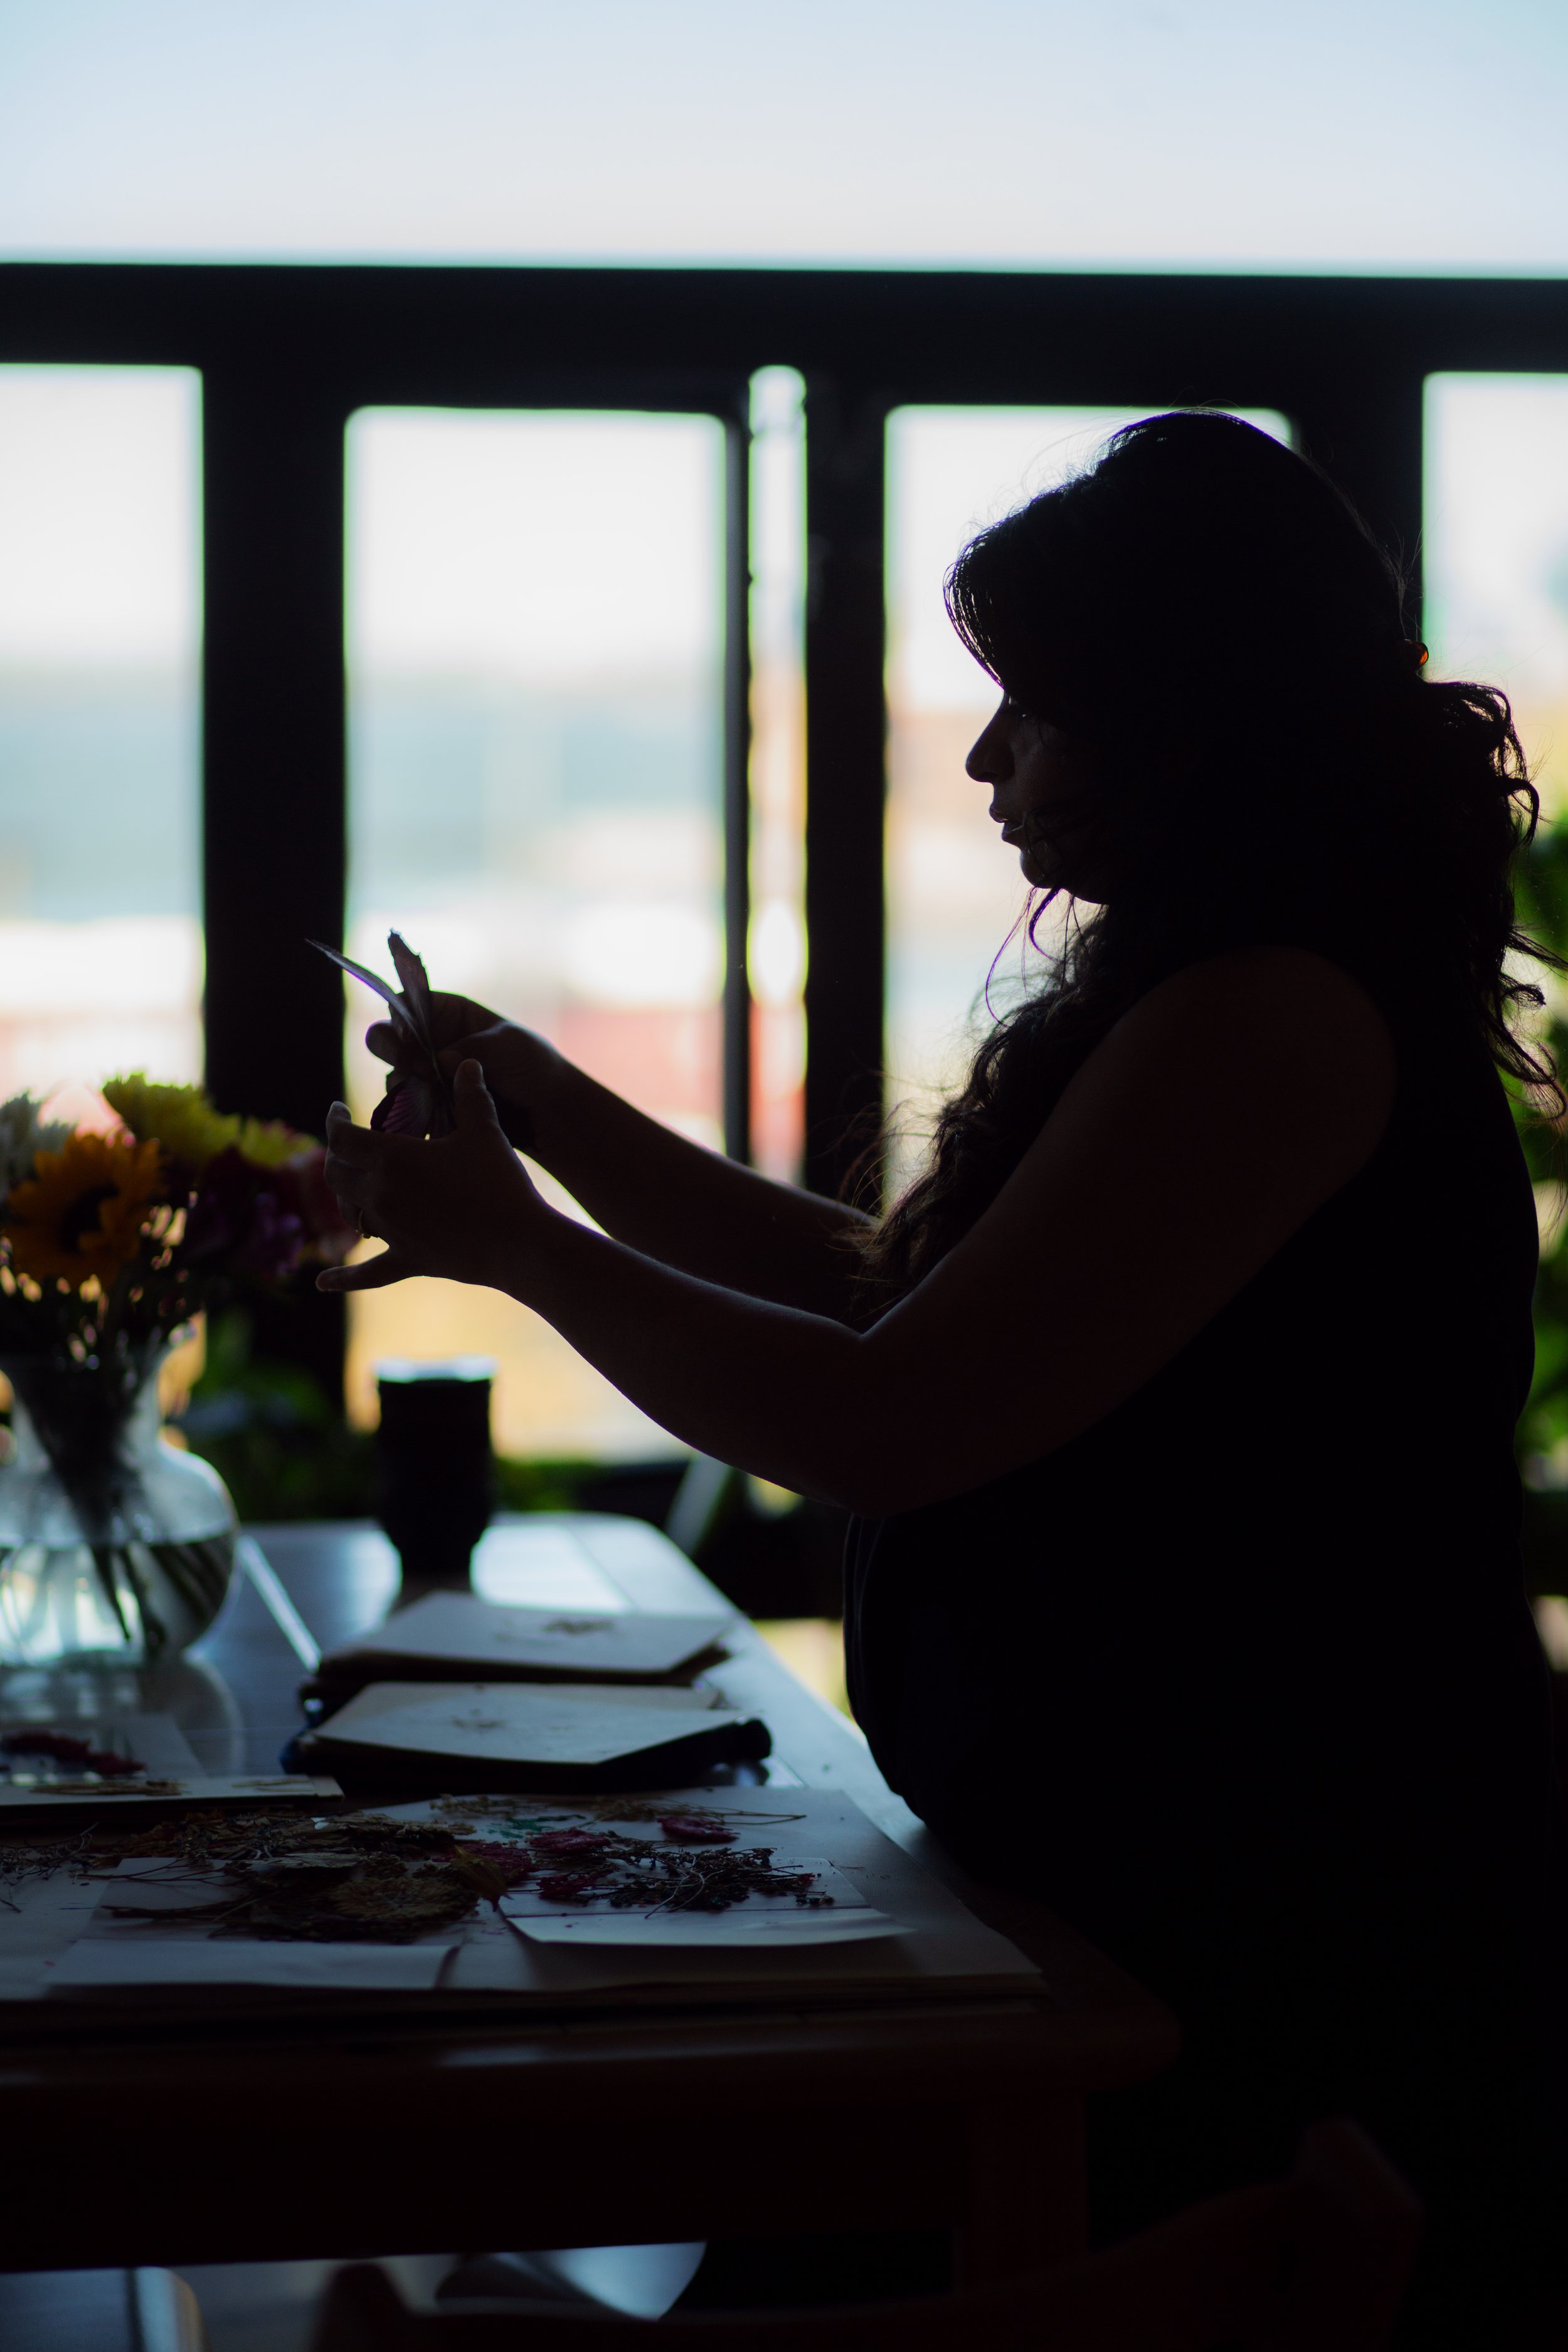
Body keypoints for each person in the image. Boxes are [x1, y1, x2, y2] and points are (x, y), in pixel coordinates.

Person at [320, 412, 1568, 2344]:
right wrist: (543, 1107)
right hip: (1166, 1889)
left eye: (1034, 708)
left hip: (1280, 1929)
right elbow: (908, 1295)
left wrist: (513, 1244)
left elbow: (885, 1417)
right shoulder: (1225, 981)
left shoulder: (1267, 1018)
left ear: (1185, 721)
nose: (987, 760)